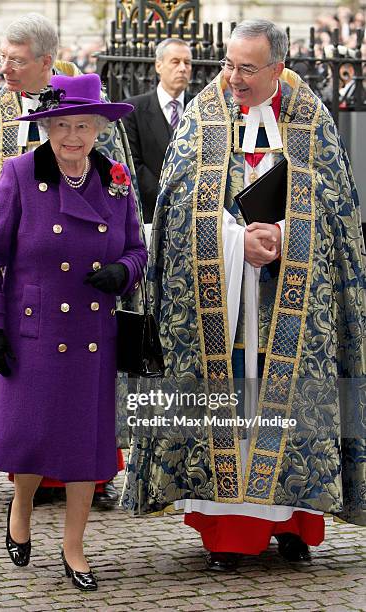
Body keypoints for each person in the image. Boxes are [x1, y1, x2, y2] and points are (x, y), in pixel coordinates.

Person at [122, 19, 366, 570]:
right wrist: (234, 239)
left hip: (292, 303)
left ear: (279, 67)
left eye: (247, 69)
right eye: (228, 65)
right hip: (225, 306)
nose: (232, 78)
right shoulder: (202, 118)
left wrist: (285, 235)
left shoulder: (313, 121)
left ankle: (293, 521)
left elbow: (340, 208)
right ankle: (226, 534)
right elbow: (176, 203)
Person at [0, 13, 144, 508]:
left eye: (14, 60)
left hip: (82, 284)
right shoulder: (2, 108)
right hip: (24, 275)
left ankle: (88, 475)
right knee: (29, 398)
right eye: (1, 59)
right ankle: (28, 473)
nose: (5, 69)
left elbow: (119, 193)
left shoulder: (85, 106)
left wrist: (122, 267)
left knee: (79, 393)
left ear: (45, 62)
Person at [0, 73, 146, 590]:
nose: (74, 136)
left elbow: (137, 247)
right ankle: (20, 507)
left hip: (92, 330)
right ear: (46, 126)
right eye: (63, 125)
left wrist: (125, 272)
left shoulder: (115, 179)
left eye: (84, 125)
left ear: (98, 128)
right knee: (31, 437)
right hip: (33, 331)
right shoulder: (20, 174)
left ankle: (74, 546)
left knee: (83, 447)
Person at [123, 38, 192, 232]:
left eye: (187, 63)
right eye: (175, 61)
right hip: (149, 215)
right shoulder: (133, 109)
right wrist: (168, 198)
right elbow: (133, 163)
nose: (182, 68)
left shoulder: (200, 109)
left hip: (191, 214)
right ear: (158, 65)